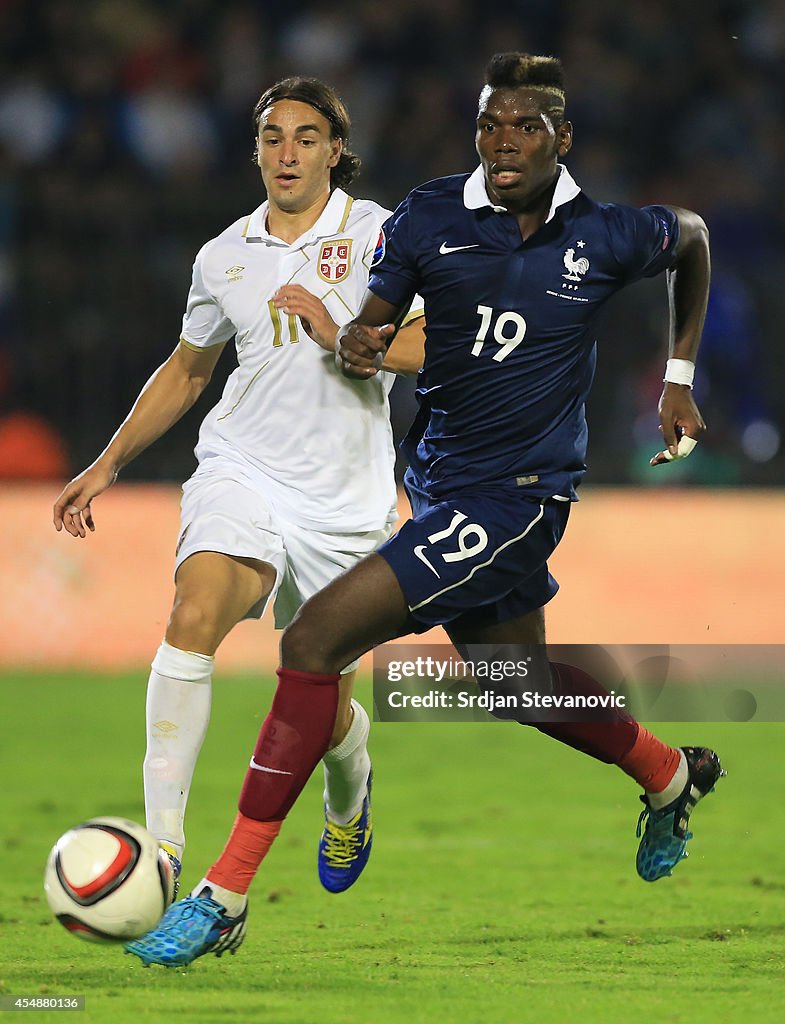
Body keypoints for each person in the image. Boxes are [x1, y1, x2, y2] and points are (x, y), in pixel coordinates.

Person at [128, 52, 723, 968]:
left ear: (561, 139)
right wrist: (351, 336)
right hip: (440, 487)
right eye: (489, 125)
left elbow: (689, 236)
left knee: (311, 642)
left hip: (518, 498)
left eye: (525, 127)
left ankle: (223, 893)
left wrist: (676, 378)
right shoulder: (429, 216)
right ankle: (669, 773)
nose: (503, 142)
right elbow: (375, 331)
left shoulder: (604, 235)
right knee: (510, 683)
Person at [52, 76, 425, 923]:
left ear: (336, 149)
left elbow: (434, 344)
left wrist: (356, 343)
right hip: (242, 468)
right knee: (194, 610)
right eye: (270, 137)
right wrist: (108, 462)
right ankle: (163, 850)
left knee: (322, 699)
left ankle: (349, 783)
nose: (285, 152)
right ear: (254, 150)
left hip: (345, 501)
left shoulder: (382, 234)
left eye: (304, 137)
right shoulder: (224, 254)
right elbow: (188, 370)